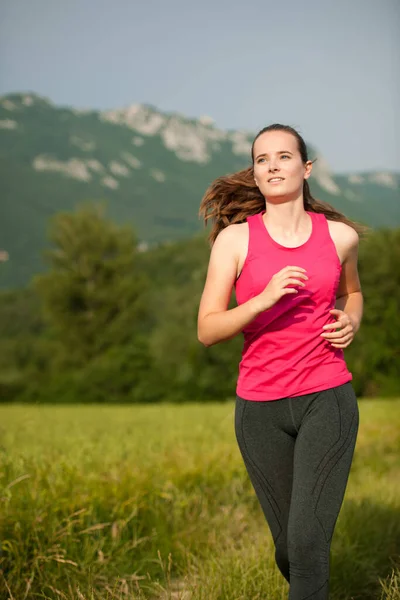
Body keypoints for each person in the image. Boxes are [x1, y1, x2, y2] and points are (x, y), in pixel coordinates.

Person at [197, 123, 365, 599]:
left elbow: (354, 292)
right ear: (254, 174)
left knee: (310, 542)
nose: (272, 165)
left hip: (326, 397)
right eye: (262, 159)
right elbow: (207, 329)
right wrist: (261, 301)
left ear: (305, 168)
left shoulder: (340, 237)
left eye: (284, 156)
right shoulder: (234, 241)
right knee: (289, 549)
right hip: (260, 409)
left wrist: (351, 319)